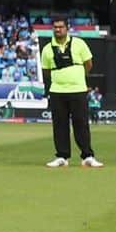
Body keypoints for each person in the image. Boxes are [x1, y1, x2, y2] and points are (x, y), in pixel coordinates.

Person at [41, 16, 102, 168]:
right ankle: (62, 156)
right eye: (55, 27)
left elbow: (88, 64)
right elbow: (46, 71)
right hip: (57, 91)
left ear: (67, 28)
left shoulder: (79, 44)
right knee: (60, 124)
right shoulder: (47, 49)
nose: (58, 30)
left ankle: (87, 156)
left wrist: (78, 77)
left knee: (81, 123)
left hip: (78, 90)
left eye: (60, 27)